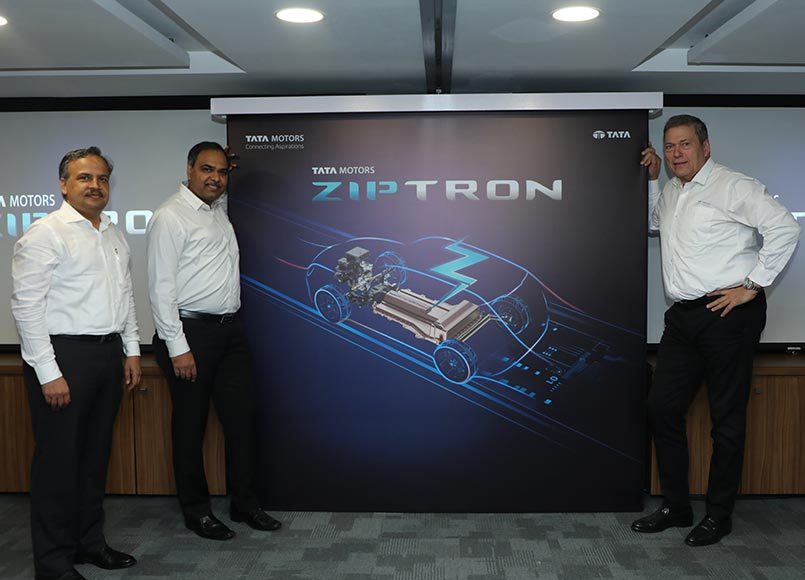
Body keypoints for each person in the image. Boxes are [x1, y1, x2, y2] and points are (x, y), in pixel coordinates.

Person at [632, 115, 800, 546]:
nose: (676, 154)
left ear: (705, 147)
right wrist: (652, 180)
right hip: (683, 317)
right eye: (670, 146)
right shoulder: (673, 190)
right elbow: (654, 224)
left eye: (685, 144)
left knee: (726, 419)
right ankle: (676, 507)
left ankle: (718, 515)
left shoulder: (733, 185)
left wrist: (753, 286)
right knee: (661, 408)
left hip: (728, 315)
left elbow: (785, 226)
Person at [11, 147, 141, 580]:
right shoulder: (45, 233)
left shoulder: (113, 232)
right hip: (63, 357)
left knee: (94, 458)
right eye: (84, 178)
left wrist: (131, 350)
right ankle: (52, 563)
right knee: (58, 465)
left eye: (102, 178)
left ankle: (89, 544)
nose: (95, 186)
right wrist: (49, 373)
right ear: (64, 185)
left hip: (107, 354)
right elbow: (27, 307)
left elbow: (125, 296)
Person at [146, 141, 281, 541]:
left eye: (222, 172)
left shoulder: (217, 212)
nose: (215, 178)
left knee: (241, 420)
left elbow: (217, 195)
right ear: (189, 170)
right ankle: (197, 512)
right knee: (190, 427)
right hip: (190, 334)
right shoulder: (170, 216)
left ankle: (244, 504)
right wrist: (178, 348)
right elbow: (160, 289)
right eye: (207, 169)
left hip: (229, 332)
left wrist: (228, 166)